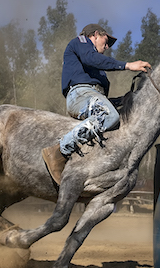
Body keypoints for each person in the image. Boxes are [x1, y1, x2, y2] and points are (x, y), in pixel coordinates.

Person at [42, 24, 151, 183]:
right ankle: (59, 151)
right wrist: (127, 65)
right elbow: (91, 58)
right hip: (80, 95)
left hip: (91, 97)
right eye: (106, 41)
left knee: (116, 119)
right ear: (95, 35)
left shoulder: (96, 68)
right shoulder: (81, 42)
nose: (107, 47)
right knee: (109, 116)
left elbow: (101, 98)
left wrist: (128, 99)